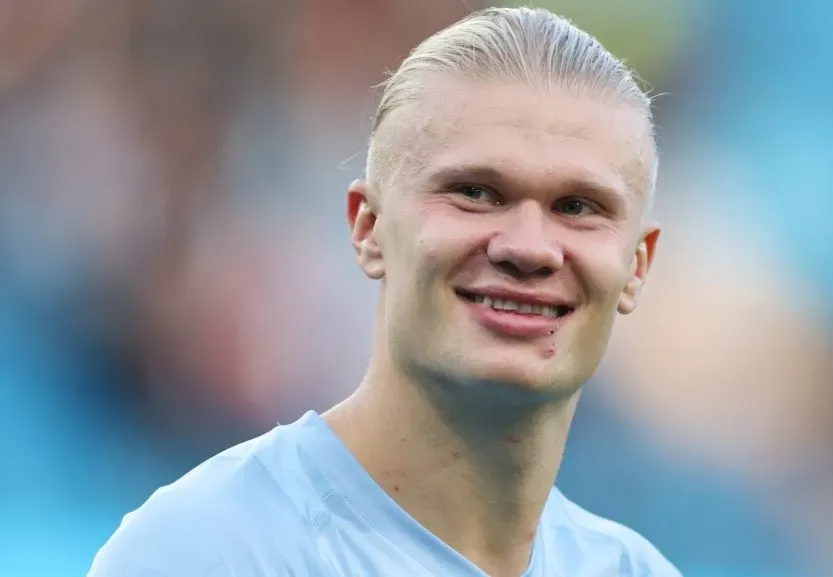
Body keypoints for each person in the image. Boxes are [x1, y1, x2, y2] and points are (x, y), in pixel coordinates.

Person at [89, 7, 679, 576]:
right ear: (368, 227)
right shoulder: (205, 554)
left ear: (637, 265)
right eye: (476, 193)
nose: (528, 247)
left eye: (577, 207)